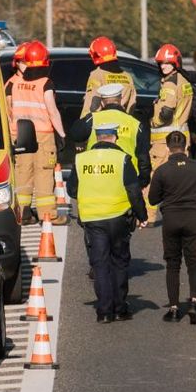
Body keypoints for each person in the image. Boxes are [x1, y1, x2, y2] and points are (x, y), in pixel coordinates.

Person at [66, 123, 148, 323]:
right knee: (119, 262)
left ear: (96, 138)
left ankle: (104, 311)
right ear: (114, 137)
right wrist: (142, 215)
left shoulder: (81, 159)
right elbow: (133, 190)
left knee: (100, 265)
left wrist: (89, 197)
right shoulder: (122, 159)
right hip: (119, 218)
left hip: (93, 220)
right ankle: (120, 309)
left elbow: (72, 190)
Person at [148, 131, 196, 324]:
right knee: (195, 262)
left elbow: (153, 198)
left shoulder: (162, 171)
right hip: (192, 218)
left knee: (173, 264)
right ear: (186, 146)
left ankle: (174, 308)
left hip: (171, 219)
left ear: (168, 147)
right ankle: (194, 301)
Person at [8, 42, 67, 225]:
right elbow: (52, 111)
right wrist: (62, 135)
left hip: (21, 135)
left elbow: (9, 110)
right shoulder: (45, 83)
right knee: (44, 174)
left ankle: (23, 212)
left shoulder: (14, 84)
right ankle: (48, 215)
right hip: (43, 135)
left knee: (23, 173)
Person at [72, 83, 151, 187]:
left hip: (97, 175)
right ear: (121, 99)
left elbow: (75, 133)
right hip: (126, 178)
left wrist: (92, 110)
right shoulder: (135, 124)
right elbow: (143, 157)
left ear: (102, 103)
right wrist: (142, 181)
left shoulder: (93, 119)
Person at [148, 44, 194, 223]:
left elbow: (166, 111)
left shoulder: (170, 83)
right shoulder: (184, 81)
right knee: (180, 180)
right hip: (182, 138)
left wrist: (154, 122)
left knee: (155, 178)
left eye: (167, 63)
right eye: (161, 63)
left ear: (175, 63)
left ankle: (149, 216)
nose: (163, 67)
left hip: (165, 142)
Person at [81, 36, 137, 117]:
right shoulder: (127, 77)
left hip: (102, 124)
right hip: (123, 122)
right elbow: (132, 104)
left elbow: (92, 105)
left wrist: (83, 123)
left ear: (95, 55)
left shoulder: (97, 75)